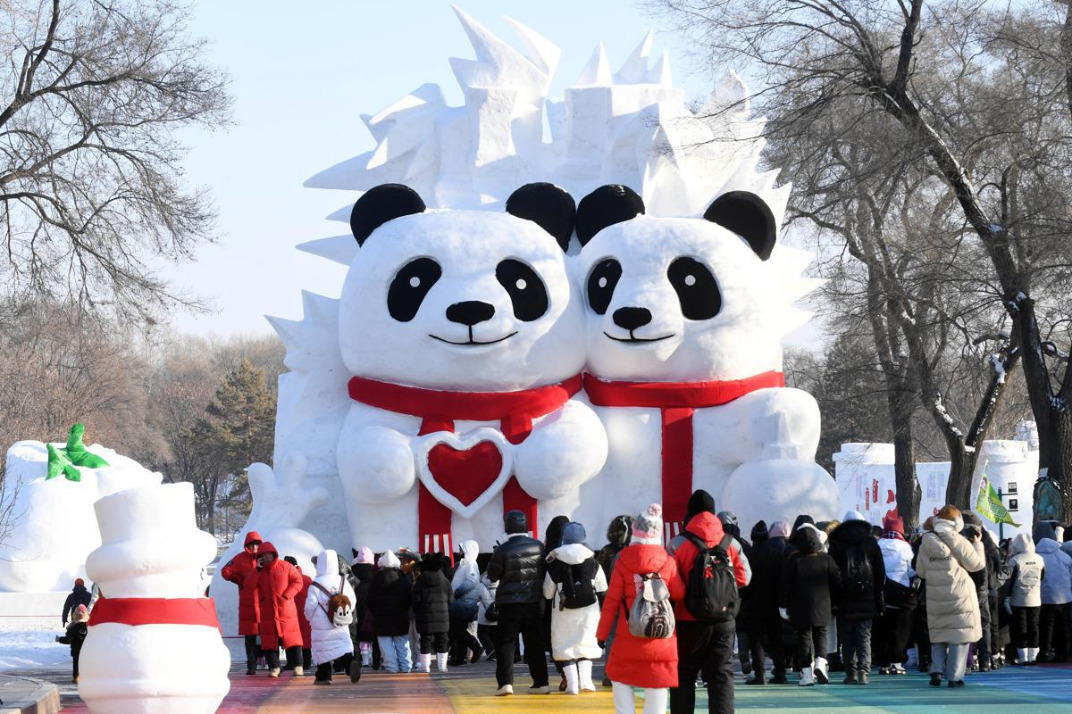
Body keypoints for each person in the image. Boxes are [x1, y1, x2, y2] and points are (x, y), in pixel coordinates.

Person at [597, 504, 686, 714]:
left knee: (620, 679)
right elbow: (679, 594)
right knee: (657, 683)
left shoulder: (623, 560)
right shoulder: (668, 561)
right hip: (660, 635)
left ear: (635, 532)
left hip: (628, 633)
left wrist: (601, 635)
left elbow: (611, 601)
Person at [670, 502, 749, 714]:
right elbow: (744, 578)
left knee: (684, 674)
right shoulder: (731, 543)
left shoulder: (678, 544)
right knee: (721, 674)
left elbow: (671, 584)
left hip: (688, 618)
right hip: (724, 619)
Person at [915, 505, 986, 687]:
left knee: (939, 634)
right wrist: (978, 545)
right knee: (959, 637)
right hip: (959, 594)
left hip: (935, 595)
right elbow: (976, 565)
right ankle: (954, 677)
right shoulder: (957, 539)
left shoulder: (926, 541)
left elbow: (920, 571)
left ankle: (936, 671)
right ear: (956, 521)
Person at [488, 509, 549, 696]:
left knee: (506, 644)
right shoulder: (539, 546)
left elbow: (492, 576)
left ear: (507, 527)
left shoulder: (502, 549)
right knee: (535, 644)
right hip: (533, 602)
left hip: (509, 603)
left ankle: (506, 684)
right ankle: (541, 683)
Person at [543, 521, 608, 694]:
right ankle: (586, 681)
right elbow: (602, 589)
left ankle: (572, 685)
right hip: (589, 611)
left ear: (564, 538)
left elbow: (548, 593)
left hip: (563, 612)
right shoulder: (593, 562)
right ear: (583, 538)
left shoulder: (555, 562)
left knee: (565, 647)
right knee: (585, 643)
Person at [780, 522, 841, 686]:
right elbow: (837, 582)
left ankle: (807, 673)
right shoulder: (826, 559)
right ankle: (821, 662)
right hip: (822, 604)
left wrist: (783, 605)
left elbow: (786, 586)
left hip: (799, 606)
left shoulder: (794, 560)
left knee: (803, 637)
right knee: (821, 634)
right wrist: (833, 600)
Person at [828, 511, 885, 685]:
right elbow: (879, 572)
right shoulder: (871, 542)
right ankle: (864, 671)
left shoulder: (837, 542)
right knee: (864, 636)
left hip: (844, 598)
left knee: (847, 638)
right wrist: (878, 599)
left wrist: (835, 598)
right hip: (867, 596)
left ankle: (850, 672)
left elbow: (832, 573)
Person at [744, 520, 792, 684]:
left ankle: (760, 674)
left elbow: (744, 580)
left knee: (756, 640)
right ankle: (780, 672)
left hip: (753, 603)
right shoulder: (776, 554)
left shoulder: (748, 554)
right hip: (773, 603)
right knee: (776, 638)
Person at [305, 548, 360, 685]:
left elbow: (310, 606)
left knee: (323, 650)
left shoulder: (315, 585)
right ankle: (350, 664)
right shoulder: (342, 581)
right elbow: (352, 600)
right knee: (343, 646)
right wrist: (345, 613)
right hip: (340, 621)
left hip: (321, 625)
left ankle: (324, 676)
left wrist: (309, 617)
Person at [254, 542, 304, 677]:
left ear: (274, 554)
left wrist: (288, 594)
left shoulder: (286, 566)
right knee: (269, 640)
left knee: (293, 638)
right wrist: (256, 571)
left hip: (286, 609)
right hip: (268, 610)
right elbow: (249, 585)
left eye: (269, 554)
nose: (267, 557)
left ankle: (298, 666)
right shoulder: (259, 571)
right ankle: (274, 667)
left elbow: (298, 581)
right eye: (263, 555)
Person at [874, 515, 915, 675]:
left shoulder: (878, 545)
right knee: (900, 630)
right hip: (901, 594)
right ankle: (896, 662)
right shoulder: (905, 547)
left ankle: (882, 662)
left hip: (882, 593)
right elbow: (913, 570)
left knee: (881, 630)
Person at [596, 515, 633, 687]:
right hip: (633, 600)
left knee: (612, 637)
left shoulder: (606, 551)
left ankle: (610, 674)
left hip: (612, 599)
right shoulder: (635, 551)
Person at [220, 530, 263, 675]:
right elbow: (225, 571)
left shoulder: (264, 558)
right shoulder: (239, 559)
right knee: (250, 637)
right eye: (252, 544)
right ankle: (252, 665)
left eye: (257, 544)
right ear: (247, 545)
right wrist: (238, 580)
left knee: (267, 635)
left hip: (263, 601)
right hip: (248, 602)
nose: (255, 547)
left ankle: (269, 662)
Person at [368, 550, 413, 674]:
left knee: (385, 645)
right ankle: (406, 667)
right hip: (400, 617)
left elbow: (370, 600)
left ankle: (391, 667)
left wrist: (376, 611)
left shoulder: (376, 578)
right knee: (402, 644)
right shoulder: (402, 577)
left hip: (381, 618)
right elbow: (409, 597)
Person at [1034, 522, 1072, 662]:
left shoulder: (1037, 557)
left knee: (1046, 626)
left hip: (1044, 597)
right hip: (1065, 596)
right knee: (1065, 627)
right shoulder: (1063, 556)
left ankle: (1045, 651)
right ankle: (1066, 652)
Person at [1006, 531, 1046, 665]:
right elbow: (1042, 576)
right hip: (1035, 598)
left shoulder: (1015, 560)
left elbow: (1009, 581)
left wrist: (1007, 597)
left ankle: (1023, 657)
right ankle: (1033, 656)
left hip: (1018, 599)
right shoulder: (1039, 558)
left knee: (1021, 627)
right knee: (1034, 627)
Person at [412, 552, 453, 673]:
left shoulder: (420, 580)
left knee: (425, 640)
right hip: (442, 616)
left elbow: (415, 599)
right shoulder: (445, 581)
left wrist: (417, 610)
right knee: (442, 639)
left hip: (425, 615)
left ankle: (425, 667)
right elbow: (451, 599)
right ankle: (442, 666)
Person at [449, 540, 483, 666]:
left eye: (461, 549)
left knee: (458, 630)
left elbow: (473, 580)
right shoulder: (464, 564)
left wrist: (457, 592)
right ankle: (460, 658)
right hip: (460, 602)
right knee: (458, 630)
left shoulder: (471, 564)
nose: (459, 552)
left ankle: (476, 647)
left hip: (464, 602)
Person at [284, 556, 313, 672]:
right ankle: (306, 662)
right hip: (304, 611)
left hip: (290, 612)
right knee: (305, 638)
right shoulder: (307, 579)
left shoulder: (286, 580)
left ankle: (291, 662)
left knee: (290, 637)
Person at [349, 547, 377, 668]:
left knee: (359, 629)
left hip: (356, 603)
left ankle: (364, 658)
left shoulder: (353, 571)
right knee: (371, 629)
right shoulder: (375, 571)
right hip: (371, 602)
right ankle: (371, 656)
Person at [56, 603, 89, 682]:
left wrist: (59, 639)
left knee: (76, 664)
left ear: (75, 615)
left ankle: (76, 677)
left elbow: (68, 640)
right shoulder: (90, 626)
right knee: (87, 663)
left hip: (76, 650)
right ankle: (87, 677)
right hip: (88, 650)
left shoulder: (73, 627)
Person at [475, 571, 499, 661]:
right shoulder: (501, 583)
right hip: (498, 614)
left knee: (481, 633)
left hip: (484, 616)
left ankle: (491, 651)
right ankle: (495, 653)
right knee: (495, 634)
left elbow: (476, 598)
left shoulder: (481, 585)